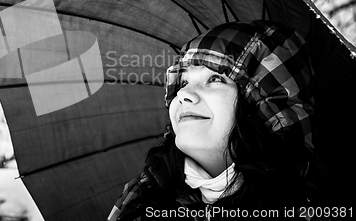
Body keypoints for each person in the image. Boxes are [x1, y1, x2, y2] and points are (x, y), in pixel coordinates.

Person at [108, 20, 330, 221]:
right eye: (183, 82)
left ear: (263, 107)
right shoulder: (140, 196)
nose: (183, 95)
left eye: (214, 79)